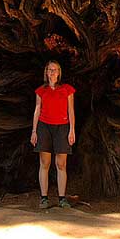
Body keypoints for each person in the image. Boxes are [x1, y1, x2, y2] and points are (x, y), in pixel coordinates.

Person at [30, 60, 76, 209]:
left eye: (55, 70)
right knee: (45, 163)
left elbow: (71, 111)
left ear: (59, 72)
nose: (52, 72)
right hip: (44, 126)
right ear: (46, 72)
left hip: (62, 127)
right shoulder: (41, 91)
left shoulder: (67, 90)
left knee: (61, 164)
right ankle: (44, 198)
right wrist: (34, 131)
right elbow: (37, 110)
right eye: (50, 70)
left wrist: (72, 130)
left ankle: (62, 198)